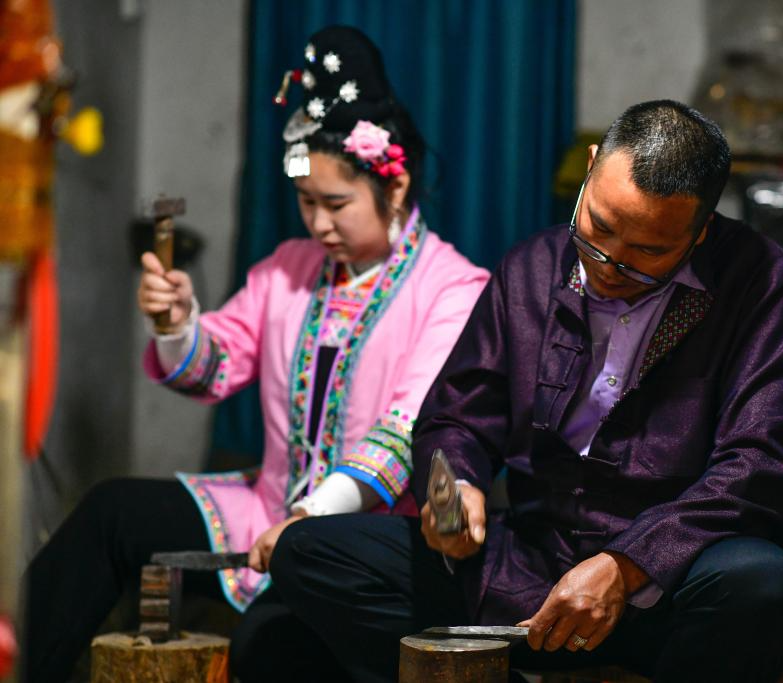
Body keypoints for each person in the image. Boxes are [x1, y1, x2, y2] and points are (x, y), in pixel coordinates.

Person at [265, 100, 783, 682]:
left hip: (670, 583)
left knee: (762, 585)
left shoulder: (763, 281)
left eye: (649, 252)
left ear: (700, 229)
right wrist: (456, 488)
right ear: (591, 166)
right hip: (531, 572)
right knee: (308, 554)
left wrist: (627, 564)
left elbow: (760, 463)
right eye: (600, 228)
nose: (610, 265)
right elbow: (457, 416)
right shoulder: (531, 267)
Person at [23, 26, 488, 683]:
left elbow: (404, 432)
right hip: (263, 510)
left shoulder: (454, 288)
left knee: (266, 646)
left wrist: (308, 520)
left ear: (395, 186)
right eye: (305, 202)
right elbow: (214, 364)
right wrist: (178, 324)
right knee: (111, 513)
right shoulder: (288, 268)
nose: (318, 224)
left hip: (358, 538)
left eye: (336, 204)